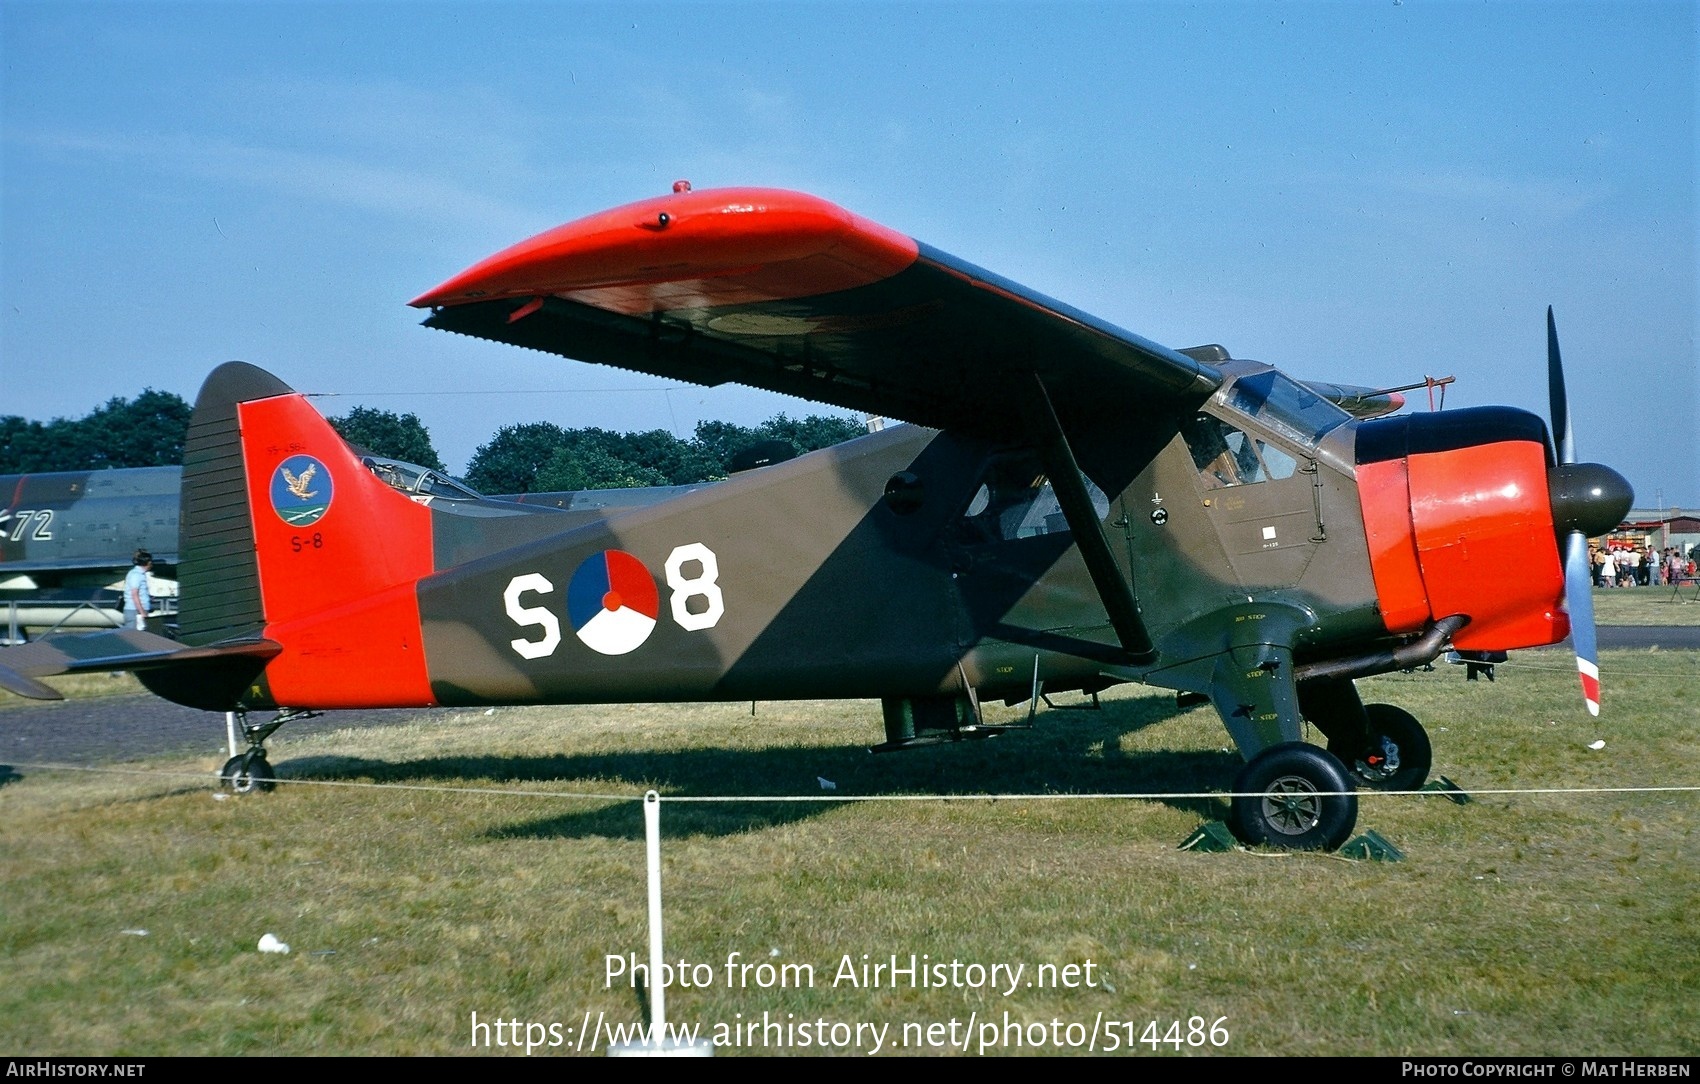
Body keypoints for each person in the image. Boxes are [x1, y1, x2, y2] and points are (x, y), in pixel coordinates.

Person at [123, 550, 153, 632]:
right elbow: (134, 594)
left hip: (137, 610)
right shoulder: (136, 575)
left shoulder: (139, 574)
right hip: (135, 611)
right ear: (148, 563)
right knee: (134, 636)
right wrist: (142, 611)